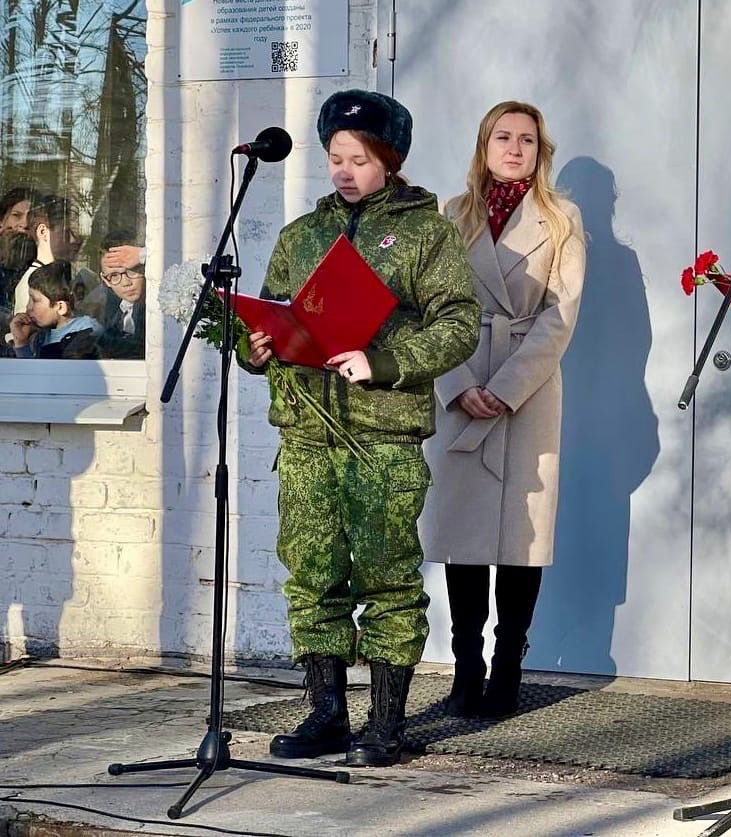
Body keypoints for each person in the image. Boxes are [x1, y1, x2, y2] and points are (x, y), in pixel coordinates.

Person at [238, 89, 480, 768]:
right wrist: (253, 347)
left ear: (389, 162)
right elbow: (271, 314)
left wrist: (387, 360)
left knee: (387, 576)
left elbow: (459, 322)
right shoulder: (301, 236)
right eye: (335, 158)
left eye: (359, 159)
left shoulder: (427, 232)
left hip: (382, 434)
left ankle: (387, 722)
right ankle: (325, 712)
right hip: (308, 432)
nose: (344, 171)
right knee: (311, 574)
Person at [420, 101, 586, 719]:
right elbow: (425, 307)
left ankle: (508, 671)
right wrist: (460, 383)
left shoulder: (561, 219)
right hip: (460, 381)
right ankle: (466, 671)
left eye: (527, 140)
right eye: (503, 136)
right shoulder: (449, 215)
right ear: (483, 144)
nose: (514, 148)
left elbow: (559, 316)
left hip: (528, 391)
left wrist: (507, 387)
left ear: (541, 151)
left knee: (520, 539)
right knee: (464, 538)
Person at [8, 261, 102, 358]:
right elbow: (33, 370)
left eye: (35, 300)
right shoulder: (40, 337)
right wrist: (21, 343)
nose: (28, 307)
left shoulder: (88, 330)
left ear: (61, 307)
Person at [95, 232, 146, 359]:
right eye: (114, 276)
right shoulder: (114, 316)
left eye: (132, 271)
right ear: (106, 280)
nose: (126, 283)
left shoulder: (154, 310)